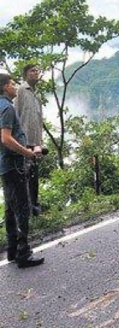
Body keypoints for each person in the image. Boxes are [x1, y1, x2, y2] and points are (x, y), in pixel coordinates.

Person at [0, 74, 44, 268]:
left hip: (4, 165)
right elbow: (6, 138)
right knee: (23, 208)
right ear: (4, 87)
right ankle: (23, 253)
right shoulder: (8, 108)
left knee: (11, 208)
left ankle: (12, 250)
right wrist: (28, 152)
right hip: (15, 164)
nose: (15, 87)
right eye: (11, 84)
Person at [15, 64, 44, 216]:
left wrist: (40, 143)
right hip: (23, 143)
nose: (36, 73)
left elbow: (39, 121)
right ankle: (25, 212)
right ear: (25, 74)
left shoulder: (36, 95)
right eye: (33, 71)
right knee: (24, 177)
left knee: (34, 176)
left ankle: (35, 209)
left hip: (35, 145)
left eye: (37, 71)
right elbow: (15, 115)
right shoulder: (20, 91)